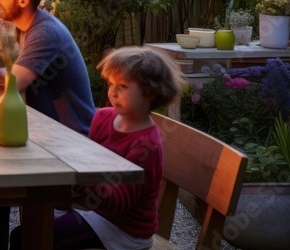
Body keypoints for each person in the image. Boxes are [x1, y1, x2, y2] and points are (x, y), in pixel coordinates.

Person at [0, 0, 97, 249]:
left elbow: (12, 86)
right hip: (36, 131)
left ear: (23, 0)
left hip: (69, 143)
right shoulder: (9, 23)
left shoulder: (45, 32)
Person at [9, 46, 183, 250]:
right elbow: (87, 160)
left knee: (28, 237)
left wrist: (75, 177)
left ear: (151, 92)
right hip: (92, 210)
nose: (113, 92)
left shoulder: (147, 145)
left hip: (123, 229)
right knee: (30, 222)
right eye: (111, 83)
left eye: (123, 86)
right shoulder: (103, 117)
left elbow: (118, 203)